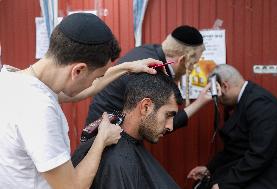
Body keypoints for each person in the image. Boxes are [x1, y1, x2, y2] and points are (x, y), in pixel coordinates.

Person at [0, 13, 163, 189]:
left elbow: (85, 90)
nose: (95, 82)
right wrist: (102, 139)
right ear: (78, 71)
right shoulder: (39, 110)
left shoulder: (12, 79)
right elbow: (72, 187)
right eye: (96, 76)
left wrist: (127, 67)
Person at [69, 25, 211, 130]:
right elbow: (162, 125)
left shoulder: (150, 51)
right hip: (104, 134)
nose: (193, 68)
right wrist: (200, 102)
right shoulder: (152, 73)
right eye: (194, 63)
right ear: (182, 60)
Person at [72, 71, 182, 189]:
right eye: (168, 115)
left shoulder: (129, 147)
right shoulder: (114, 160)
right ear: (146, 107)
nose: (170, 126)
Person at [188, 64, 277, 189]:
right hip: (253, 165)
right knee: (203, 184)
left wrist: (224, 185)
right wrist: (209, 168)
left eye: (216, 92)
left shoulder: (261, 104)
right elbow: (235, 147)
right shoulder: (244, 100)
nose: (217, 99)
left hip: (271, 172)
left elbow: (259, 155)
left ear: (224, 86)